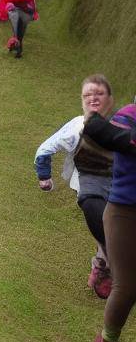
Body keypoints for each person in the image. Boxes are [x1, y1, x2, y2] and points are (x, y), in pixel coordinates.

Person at [34, 75, 115, 299]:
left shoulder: (122, 122)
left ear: (110, 99)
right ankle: (104, 268)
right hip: (91, 191)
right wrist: (44, 177)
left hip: (119, 188)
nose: (94, 99)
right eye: (88, 95)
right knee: (109, 230)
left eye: (99, 94)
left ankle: (103, 265)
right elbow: (45, 149)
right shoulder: (78, 126)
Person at [83, 103, 136, 342]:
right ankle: (108, 341)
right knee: (127, 287)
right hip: (123, 212)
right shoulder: (128, 115)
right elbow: (99, 130)